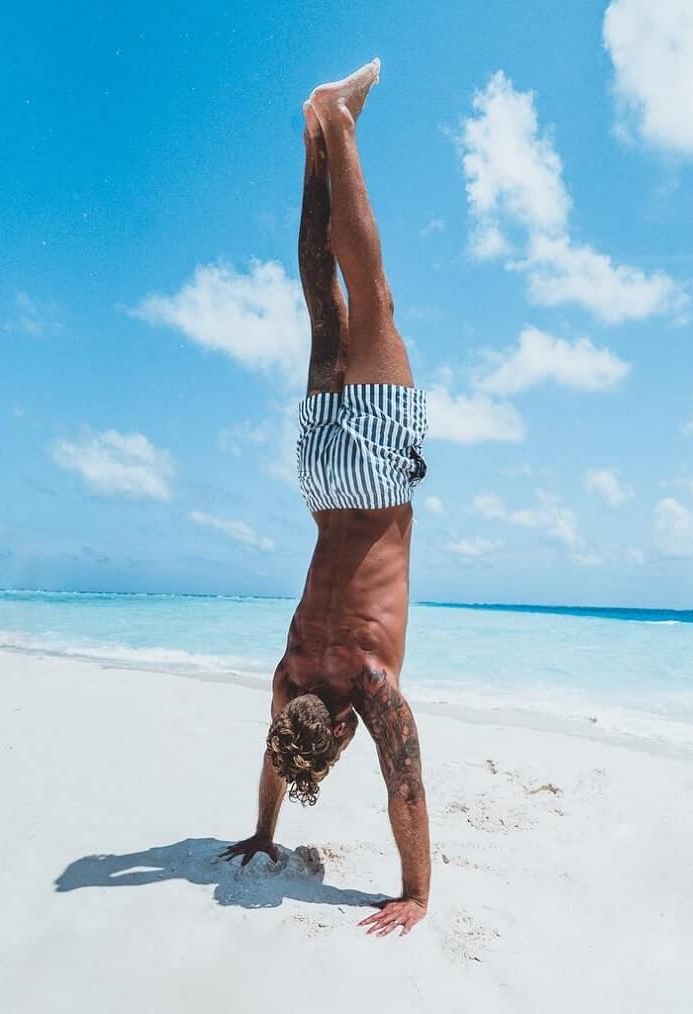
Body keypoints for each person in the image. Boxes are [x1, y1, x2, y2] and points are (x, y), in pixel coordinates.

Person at [222, 59, 431, 938]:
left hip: (378, 482)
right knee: (323, 304)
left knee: (371, 299)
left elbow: (405, 789)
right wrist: (261, 832)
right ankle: (312, 141)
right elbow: (276, 759)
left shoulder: (366, 685)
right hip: (317, 480)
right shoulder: (286, 677)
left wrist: (416, 892)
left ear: (339, 731)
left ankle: (338, 122)